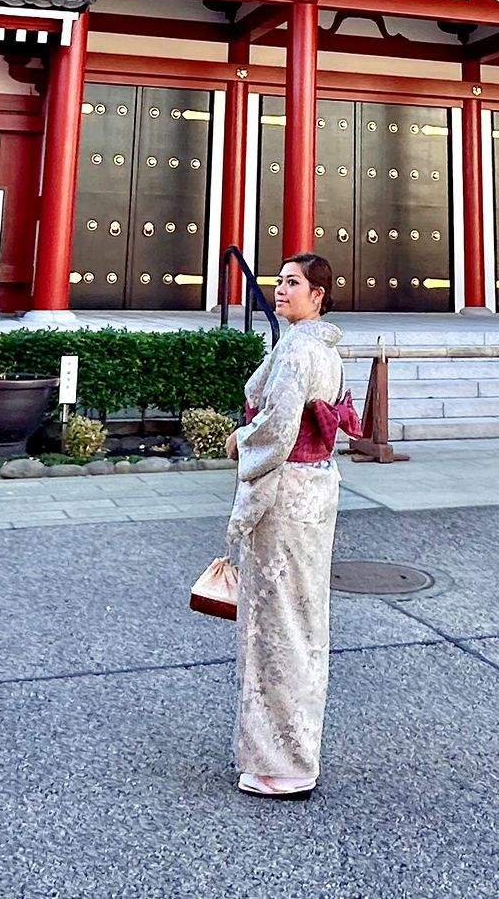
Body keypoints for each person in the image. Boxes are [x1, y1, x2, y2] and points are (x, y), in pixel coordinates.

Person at [224, 251, 357, 800]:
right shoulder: (325, 348)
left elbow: (276, 430)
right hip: (317, 490)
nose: (281, 291)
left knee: (276, 624)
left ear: (318, 294)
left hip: (286, 496)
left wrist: (239, 442)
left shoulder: (300, 351)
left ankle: (282, 763)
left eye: (294, 283)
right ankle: (297, 751)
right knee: (304, 621)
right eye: (279, 282)